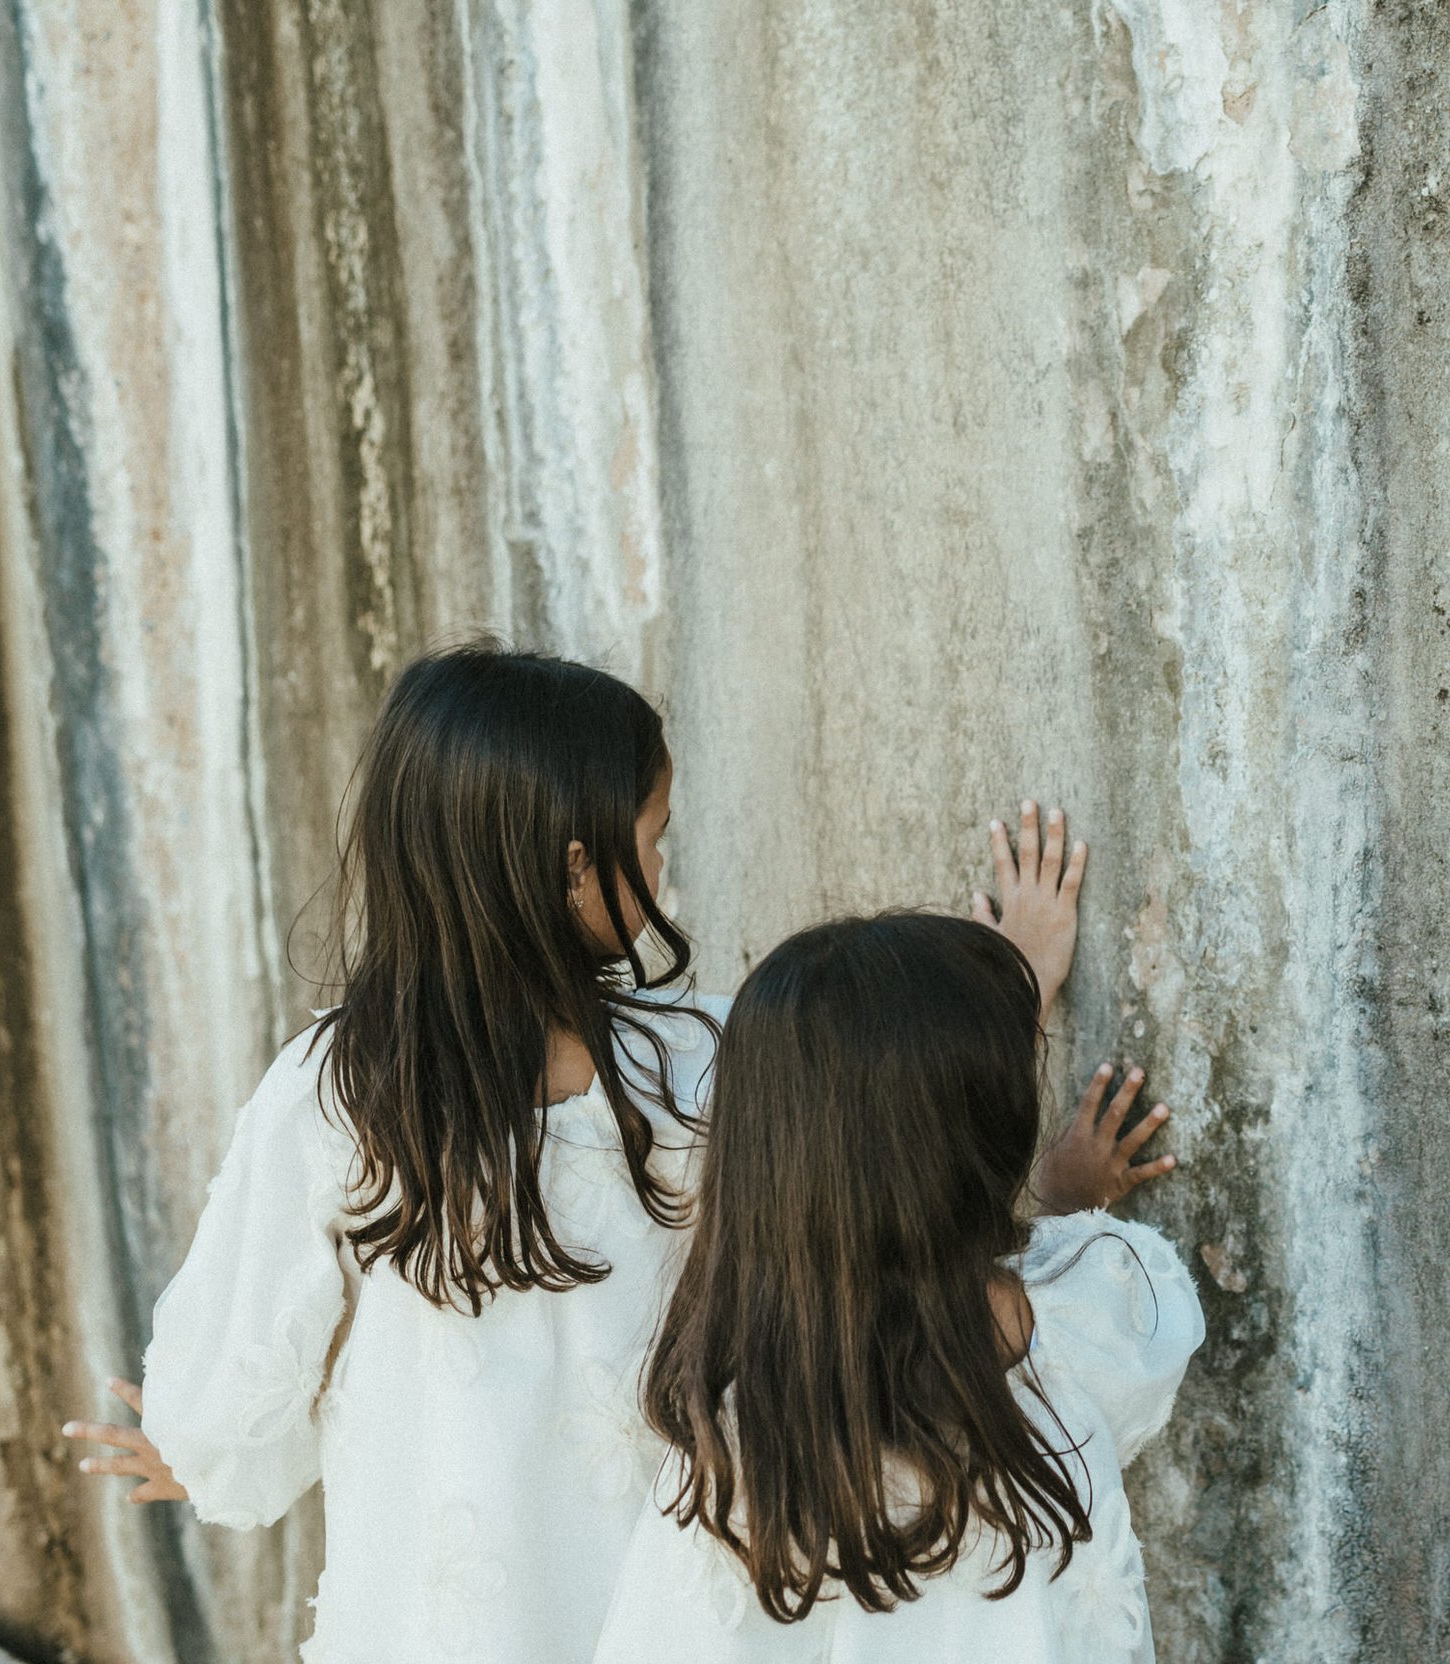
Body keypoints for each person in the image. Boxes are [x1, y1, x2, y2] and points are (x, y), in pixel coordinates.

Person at [60, 642, 1090, 1664]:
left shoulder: (340, 1092)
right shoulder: (702, 1060)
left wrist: (197, 1445)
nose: (662, 868)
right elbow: (890, 1157)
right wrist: (1013, 995)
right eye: (651, 839)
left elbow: (226, 1410)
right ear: (570, 867)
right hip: (690, 1607)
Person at [592, 911, 1198, 1664]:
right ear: (985, 1141)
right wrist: (1062, 1204)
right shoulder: (1087, 1322)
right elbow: (1143, 1332)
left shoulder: (733, 1456)